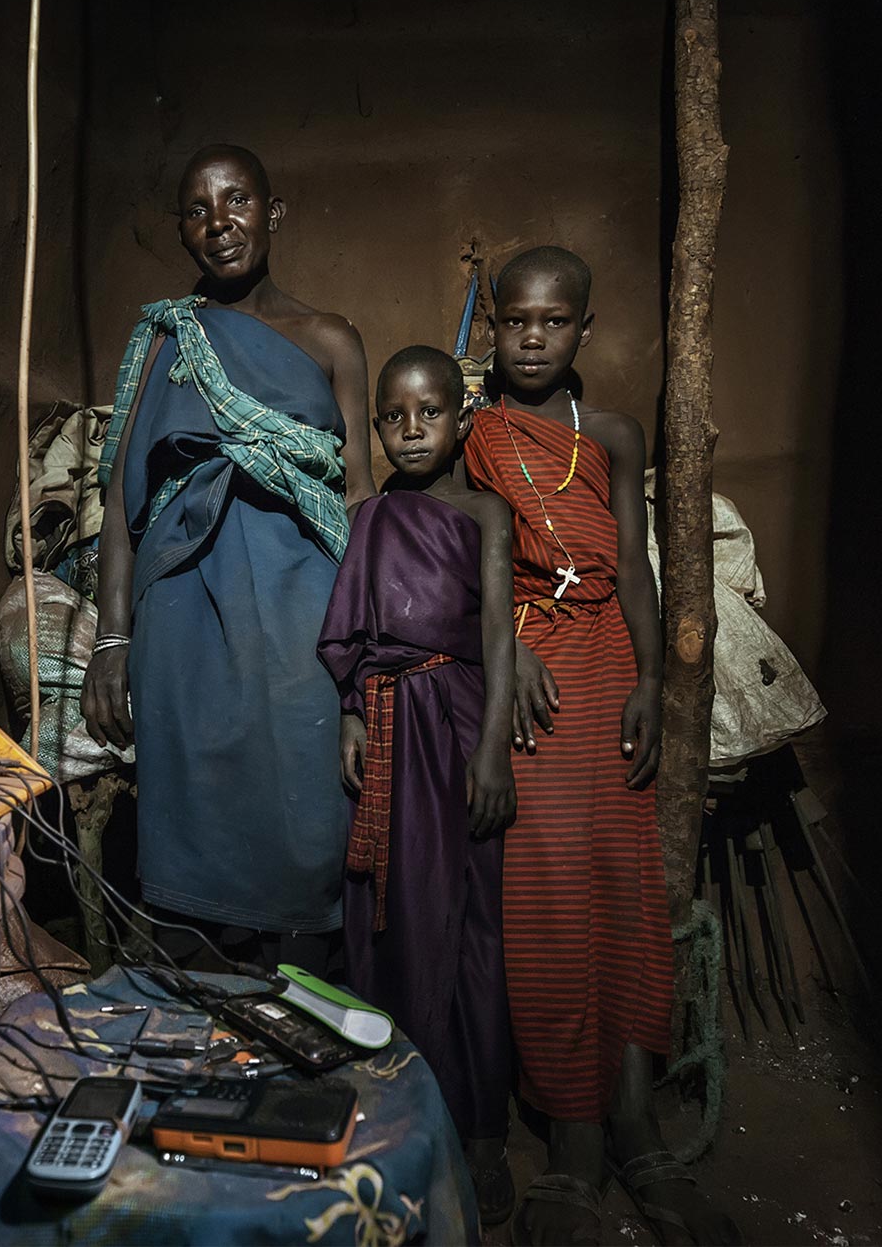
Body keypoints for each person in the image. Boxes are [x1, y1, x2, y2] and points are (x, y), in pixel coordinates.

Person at [464, 247, 740, 1245]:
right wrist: (506, 664)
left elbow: (632, 567)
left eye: (551, 321)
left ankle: (633, 1118)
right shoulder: (480, 434)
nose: (530, 338)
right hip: (534, 671)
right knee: (544, 893)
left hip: (610, 669)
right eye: (513, 321)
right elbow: (487, 570)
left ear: (583, 327)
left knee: (621, 887)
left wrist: (653, 682)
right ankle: (571, 1133)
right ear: (493, 327)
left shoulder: (613, 433)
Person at [82, 145, 377, 973]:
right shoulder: (165, 333)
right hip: (182, 603)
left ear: (273, 212)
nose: (221, 224)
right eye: (200, 210)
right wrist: (112, 640)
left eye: (238, 200)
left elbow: (355, 496)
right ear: (181, 230)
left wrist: (363, 646)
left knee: (308, 809)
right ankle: (202, 1034)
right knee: (197, 822)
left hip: (304, 603)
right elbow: (118, 494)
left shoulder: (332, 340)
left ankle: (301, 1033)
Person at [316, 346, 523, 1224]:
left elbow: (502, 637)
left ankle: (480, 1130)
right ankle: (396, 1112)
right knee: (382, 914)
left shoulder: (485, 513)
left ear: (460, 420)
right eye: (393, 416)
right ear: (377, 428)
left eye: (428, 412)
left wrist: (493, 755)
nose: (410, 429)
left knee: (466, 918)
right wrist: (355, 715)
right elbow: (353, 636)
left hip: (457, 724)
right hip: (390, 728)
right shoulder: (367, 517)